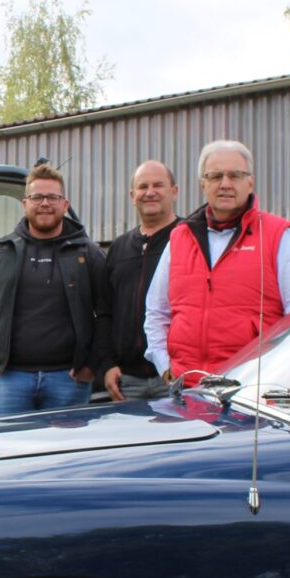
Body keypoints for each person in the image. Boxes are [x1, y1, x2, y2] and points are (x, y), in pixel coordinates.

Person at [144, 140, 290, 386]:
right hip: (187, 388)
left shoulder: (278, 236)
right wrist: (164, 366)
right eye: (215, 176)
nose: (225, 184)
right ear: (203, 184)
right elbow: (156, 311)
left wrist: (278, 375)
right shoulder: (179, 238)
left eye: (235, 175)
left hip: (251, 389)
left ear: (250, 182)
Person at [0, 163, 108, 418]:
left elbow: (107, 312)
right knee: (6, 444)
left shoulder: (87, 253)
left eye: (52, 197)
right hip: (7, 380)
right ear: (25, 204)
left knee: (66, 447)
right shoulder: (0, 252)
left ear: (65, 204)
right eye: (37, 197)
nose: (44, 203)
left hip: (69, 381)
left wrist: (90, 366)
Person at [100, 160, 181, 401]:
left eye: (158, 185)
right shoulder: (119, 248)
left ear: (174, 191)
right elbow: (104, 313)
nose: (150, 192)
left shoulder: (189, 239)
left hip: (175, 376)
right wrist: (108, 364)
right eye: (143, 187)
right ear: (132, 195)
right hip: (127, 381)